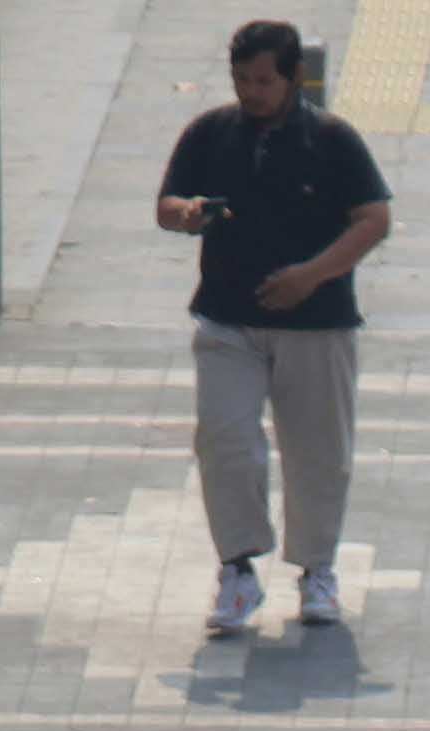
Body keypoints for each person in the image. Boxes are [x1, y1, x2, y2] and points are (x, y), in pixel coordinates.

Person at [155, 19, 394, 634]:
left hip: (316, 324)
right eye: (242, 79)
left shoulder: (333, 140)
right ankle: (237, 568)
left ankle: (317, 571)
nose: (252, 91)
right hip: (227, 319)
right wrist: (186, 215)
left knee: (317, 452)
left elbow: (373, 219)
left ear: (293, 78)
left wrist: (312, 275)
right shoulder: (210, 133)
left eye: (264, 80)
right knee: (224, 438)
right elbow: (168, 203)